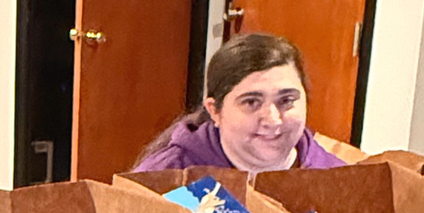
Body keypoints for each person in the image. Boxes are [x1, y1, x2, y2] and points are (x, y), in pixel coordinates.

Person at [134, 33, 344, 174]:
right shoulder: (165, 178)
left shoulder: (336, 179)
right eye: (251, 102)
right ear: (215, 111)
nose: (273, 120)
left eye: (286, 100)